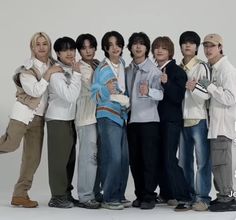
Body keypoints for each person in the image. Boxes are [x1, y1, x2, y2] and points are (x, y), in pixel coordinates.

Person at [0, 32, 62, 208]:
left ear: (49, 46)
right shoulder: (25, 69)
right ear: (32, 48)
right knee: (10, 144)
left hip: (40, 118)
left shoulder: (55, 65)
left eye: (45, 44)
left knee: (32, 158)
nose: (42, 47)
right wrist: (49, 74)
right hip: (22, 114)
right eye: (38, 44)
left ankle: (20, 195)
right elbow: (35, 91)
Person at [152, 36, 192, 211]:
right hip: (156, 120)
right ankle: (167, 194)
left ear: (170, 52)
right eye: (157, 48)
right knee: (159, 158)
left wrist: (166, 83)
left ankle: (184, 197)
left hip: (171, 121)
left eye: (164, 48)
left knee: (169, 159)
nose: (159, 51)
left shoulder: (176, 71)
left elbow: (177, 97)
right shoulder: (154, 69)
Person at [91, 31, 130, 210]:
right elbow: (95, 95)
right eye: (111, 45)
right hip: (107, 116)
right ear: (105, 48)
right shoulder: (101, 69)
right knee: (112, 157)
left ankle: (119, 195)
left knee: (123, 158)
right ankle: (109, 197)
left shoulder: (122, 64)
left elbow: (123, 91)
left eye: (118, 44)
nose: (115, 48)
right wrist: (106, 89)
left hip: (121, 116)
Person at [126, 32, 163, 209]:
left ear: (147, 48)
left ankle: (149, 196)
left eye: (141, 44)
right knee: (135, 161)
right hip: (131, 122)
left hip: (149, 121)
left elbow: (161, 95)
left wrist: (148, 91)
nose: (138, 46)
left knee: (149, 160)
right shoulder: (127, 70)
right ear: (130, 47)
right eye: (135, 43)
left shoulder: (154, 71)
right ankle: (139, 194)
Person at [200, 33, 236, 212]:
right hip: (213, 125)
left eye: (212, 46)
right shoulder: (211, 67)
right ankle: (222, 195)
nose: (208, 49)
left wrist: (211, 87)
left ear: (220, 47)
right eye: (205, 46)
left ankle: (227, 198)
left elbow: (230, 98)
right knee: (217, 162)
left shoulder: (226, 69)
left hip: (223, 125)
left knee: (223, 163)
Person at [45, 37, 81, 208]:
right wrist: (77, 75)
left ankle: (66, 193)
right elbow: (70, 96)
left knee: (69, 160)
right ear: (58, 53)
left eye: (72, 49)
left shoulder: (69, 69)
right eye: (65, 50)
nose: (70, 53)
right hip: (57, 119)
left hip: (70, 120)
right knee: (58, 161)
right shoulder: (56, 72)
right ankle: (57, 197)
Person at [178, 31, 211, 211]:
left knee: (203, 161)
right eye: (184, 43)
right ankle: (188, 195)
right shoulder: (177, 68)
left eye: (191, 43)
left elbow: (206, 96)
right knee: (184, 161)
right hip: (181, 120)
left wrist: (194, 87)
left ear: (197, 47)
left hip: (198, 119)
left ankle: (203, 198)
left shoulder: (202, 67)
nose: (188, 45)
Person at [75, 33, 100, 209]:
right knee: (88, 157)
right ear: (79, 50)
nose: (88, 50)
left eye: (90, 46)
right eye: (84, 47)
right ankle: (85, 196)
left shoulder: (98, 64)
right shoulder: (78, 67)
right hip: (86, 117)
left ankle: (96, 193)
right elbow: (92, 88)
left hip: (100, 116)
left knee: (98, 156)